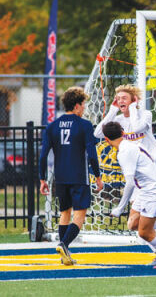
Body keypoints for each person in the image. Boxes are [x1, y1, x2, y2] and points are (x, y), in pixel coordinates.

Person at [93, 85, 156, 233]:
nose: (120, 100)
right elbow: (97, 133)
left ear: (134, 100)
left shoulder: (145, 114)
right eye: (118, 98)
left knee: (142, 217)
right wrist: (113, 110)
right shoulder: (118, 120)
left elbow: (137, 127)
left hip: (151, 173)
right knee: (134, 223)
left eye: (124, 98)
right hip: (138, 176)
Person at [102, 121, 156, 268]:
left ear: (107, 140)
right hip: (147, 189)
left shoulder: (124, 152)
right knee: (133, 224)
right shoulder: (130, 145)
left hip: (153, 191)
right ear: (122, 133)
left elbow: (130, 183)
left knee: (144, 232)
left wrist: (120, 208)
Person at [39, 87, 104, 265]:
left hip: (60, 177)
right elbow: (92, 154)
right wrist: (97, 176)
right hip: (79, 176)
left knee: (64, 213)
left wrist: (42, 179)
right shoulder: (84, 125)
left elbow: (43, 155)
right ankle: (64, 243)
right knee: (80, 215)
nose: (84, 108)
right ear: (76, 106)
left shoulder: (52, 126)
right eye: (83, 105)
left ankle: (64, 255)